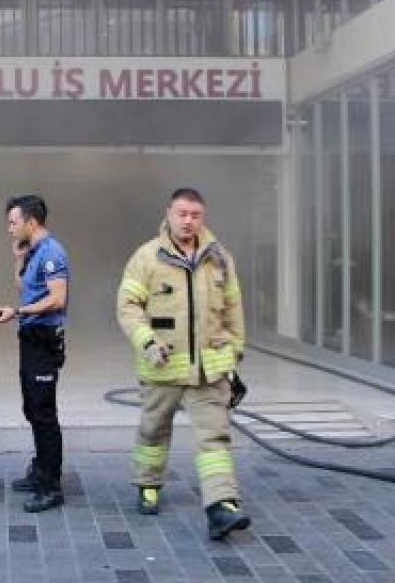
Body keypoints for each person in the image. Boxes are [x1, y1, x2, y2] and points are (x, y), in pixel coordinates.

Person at [115, 188, 250, 541]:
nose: (188, 220)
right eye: (182, 214)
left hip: (209, 370)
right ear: (169, 214)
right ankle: (148, 483)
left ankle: (222, 505)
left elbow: (234, 307)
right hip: (163, 366)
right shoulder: (146, 258)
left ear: (202, 217)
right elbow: (128, 306)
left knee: (214, 438)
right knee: (153, 430)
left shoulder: (220, 258)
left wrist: (235, 349)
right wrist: (146, 340)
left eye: (195, 215)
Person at [0, 195, 70, 513]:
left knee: (44, 412)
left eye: (13, 222)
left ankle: (51, 485)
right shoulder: (33, 251)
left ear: (30, 222)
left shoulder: (52, 252)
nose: (9, 228)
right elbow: (26, 287)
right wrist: (18, 258)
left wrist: (17, 312)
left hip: (45, 338)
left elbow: (57, 298)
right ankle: (40, 470)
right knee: (32, 407)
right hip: (31, 337)